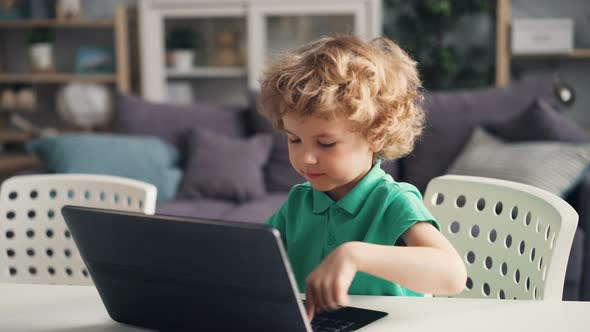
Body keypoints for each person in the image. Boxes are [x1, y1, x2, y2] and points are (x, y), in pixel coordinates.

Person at [259, 34, 467, 320]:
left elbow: (452, 275)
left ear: (375, 135)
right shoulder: (299, 203)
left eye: (326, 143)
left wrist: (354, 255)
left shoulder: (392, 201)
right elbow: (254, 262)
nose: (306, 158)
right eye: (294, 140)